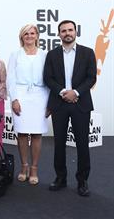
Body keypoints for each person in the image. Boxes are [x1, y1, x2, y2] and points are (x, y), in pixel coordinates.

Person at [44, 20, 96, 197]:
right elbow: (48, 78)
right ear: (59, 34)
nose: (67, 33)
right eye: (63, 30)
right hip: (59, 104)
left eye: (70, 30)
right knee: (59, 143)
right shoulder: (52, 55)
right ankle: (60, 178)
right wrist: (62, 92)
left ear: (75, 32)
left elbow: (91, 78)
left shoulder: (88, 53)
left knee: (82, 144)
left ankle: (82, 181)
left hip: (80, 104)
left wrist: (75, 92)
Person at [6, 24, 48, 185]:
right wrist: (14, 99)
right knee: (22, 133)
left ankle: (34, 168)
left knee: (37, 134)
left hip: (40, 96)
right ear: (21, 37)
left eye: (32, 33)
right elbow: (10, 79)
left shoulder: (45, 55)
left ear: (37, 35)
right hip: (21, 96)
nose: (29, 36)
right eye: (26, 34)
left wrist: (50, 102)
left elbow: (50, 79)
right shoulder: (15, 55)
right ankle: (24, 166)